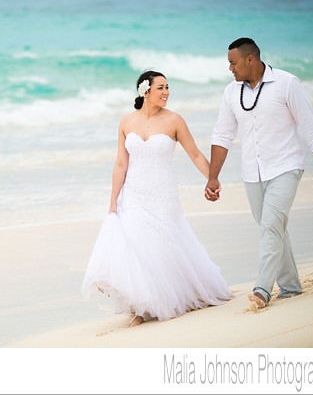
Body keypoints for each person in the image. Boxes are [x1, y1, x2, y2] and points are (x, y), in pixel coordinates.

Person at [82, 71, 232, 327]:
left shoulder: (174, 121)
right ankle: (141, 306)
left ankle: (167, 298)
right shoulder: (127, 122)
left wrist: (212, 179)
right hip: (134, 193)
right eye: (161, 88)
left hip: (163, 194)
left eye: (167, 87)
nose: (166, 92)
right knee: (138, 247)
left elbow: (195, 154)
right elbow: (120, 163)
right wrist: (113, 200)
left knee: (163, 246)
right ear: (146, 91)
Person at [204, 37, 313, 310]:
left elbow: (309, 125)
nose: (230, 69)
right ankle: (292, 286)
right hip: (252, 172)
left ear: (250, 59)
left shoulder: (287, 83)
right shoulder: (231, 93)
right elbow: (223, 135)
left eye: (233, 63)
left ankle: (262, 289)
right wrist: (213, 177)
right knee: (272, 227)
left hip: (286, 166)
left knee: (271, 225)